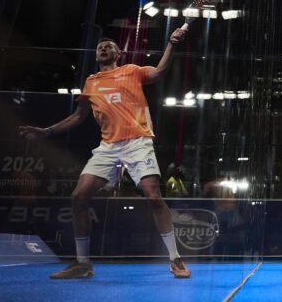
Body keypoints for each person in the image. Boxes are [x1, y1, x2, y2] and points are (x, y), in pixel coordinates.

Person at [19, 32, 191, 279]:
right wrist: (48, 131)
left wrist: (171, 44)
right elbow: (78, 116)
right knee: (79, 197)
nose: (103, 49)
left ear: (118, 53)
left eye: (108, 46)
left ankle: (175, 258)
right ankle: (83, 264)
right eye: (100, 47)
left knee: (153, 196)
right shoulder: (91, 82)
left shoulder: (131, 71)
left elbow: (159, 72)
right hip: (108, 146)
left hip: (138, 141)